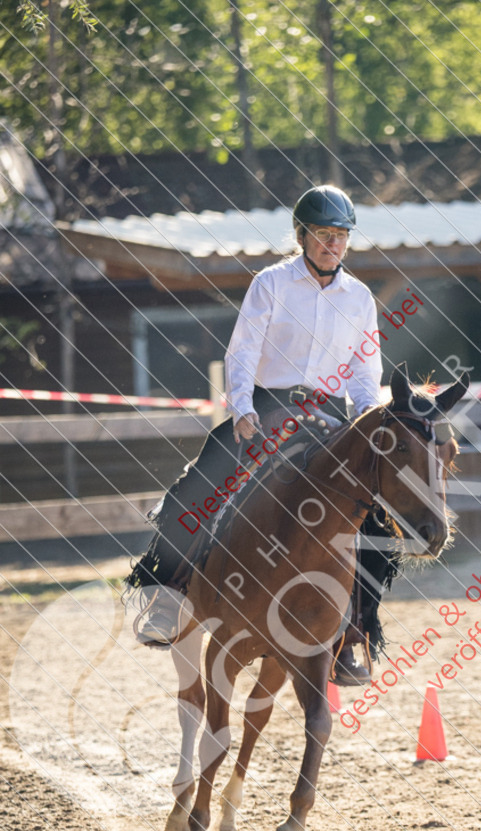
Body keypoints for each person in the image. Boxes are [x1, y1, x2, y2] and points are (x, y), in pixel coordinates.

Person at [127, 185, 395, 684]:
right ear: (301, 236)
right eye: (322, 235)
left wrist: (366, 427)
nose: (331, 245)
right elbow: (243, 351)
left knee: (377, 514)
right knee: (201, 482)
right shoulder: (270, 283)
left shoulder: (360, 299)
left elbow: (365, 372)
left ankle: (353, 633)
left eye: (339, 237)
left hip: (333, 421)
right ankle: (167, 592)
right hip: (270, 408)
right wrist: (243, 407)